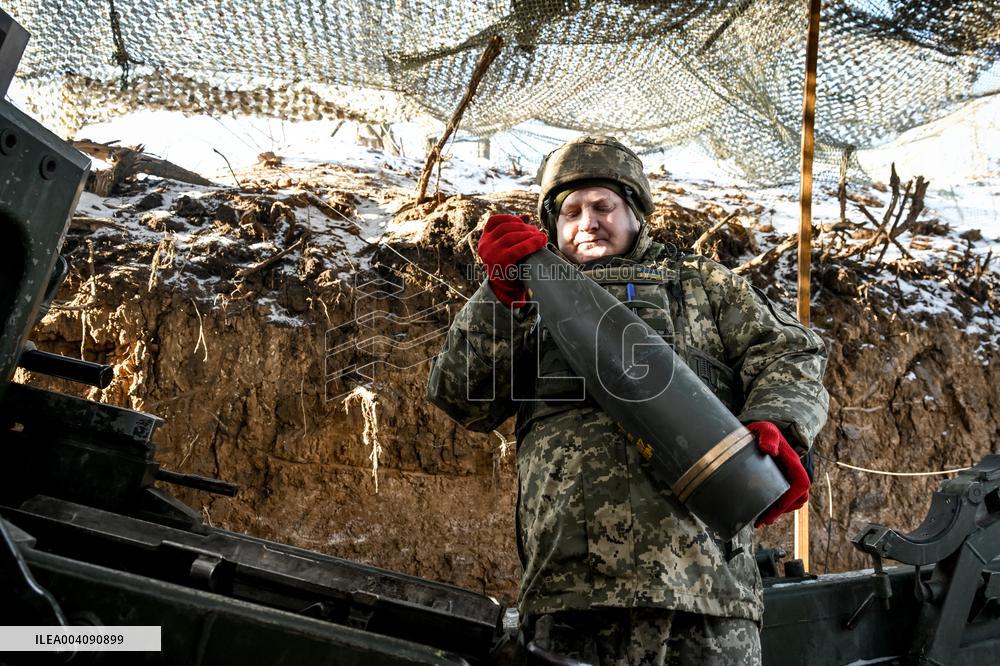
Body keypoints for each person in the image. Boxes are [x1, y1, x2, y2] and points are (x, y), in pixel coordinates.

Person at [426, 135, 829, 665]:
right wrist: (498, 296)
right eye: (570, 212)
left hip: (704, 590)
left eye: (602, 207)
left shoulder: (700, 283)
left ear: (635, 212)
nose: (587, 222)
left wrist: (779, 422)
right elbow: (461, 397)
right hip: (571, 592)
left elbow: (791, 352)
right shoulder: (526, 301)